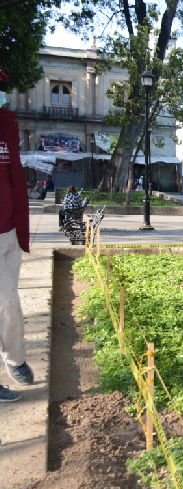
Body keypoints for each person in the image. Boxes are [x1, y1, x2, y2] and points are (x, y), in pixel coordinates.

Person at [0, 70, 35, 402]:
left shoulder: (6, 127)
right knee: (10, 305)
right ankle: (15, 360)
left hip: (10, 232)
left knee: (2, 306)